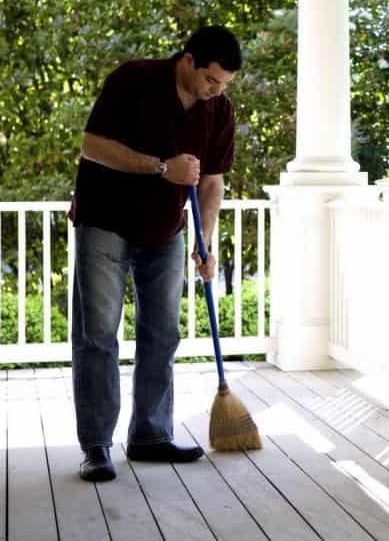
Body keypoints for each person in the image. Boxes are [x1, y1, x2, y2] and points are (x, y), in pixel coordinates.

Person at [70, 26, 240, 482]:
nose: (216, 91)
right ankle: (97, 446)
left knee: (163, 334)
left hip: (166, 231)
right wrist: (162, 168)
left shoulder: (218, 110)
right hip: (105, 222)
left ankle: (149, 435)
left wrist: (207, 244)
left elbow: (212, 181)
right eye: (211, 80)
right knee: (98, 336)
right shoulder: (133, 80)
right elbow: (93, 147)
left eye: (224, 84)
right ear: (188, 61)